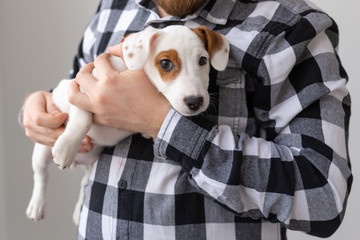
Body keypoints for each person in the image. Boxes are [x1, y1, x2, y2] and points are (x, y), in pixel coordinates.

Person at [22, 0, 353, 239]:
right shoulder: (112, 9)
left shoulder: (291, 28)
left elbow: (324, 197)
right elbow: (78, 88)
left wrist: (161, 122)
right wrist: (41, 106)